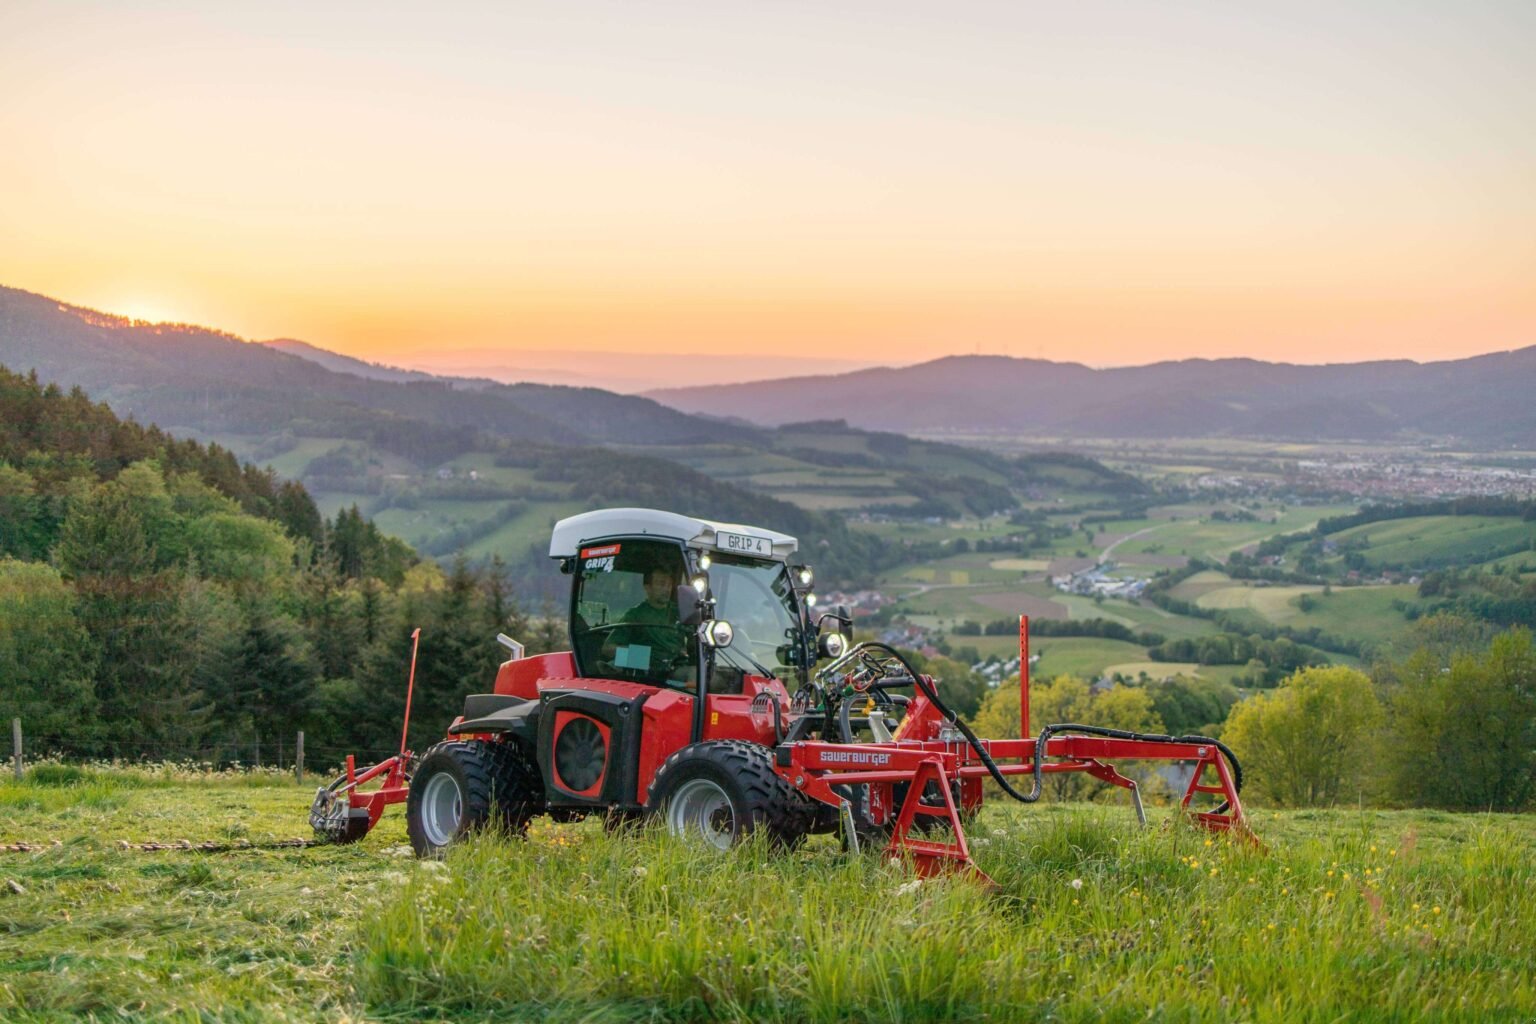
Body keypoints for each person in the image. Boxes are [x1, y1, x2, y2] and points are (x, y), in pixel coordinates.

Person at [615, 565, 688, 676]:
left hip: (677, 667)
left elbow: (695, 639)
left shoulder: (680, 613)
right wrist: (643, 659)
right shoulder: (635, 614)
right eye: (661, 584)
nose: (667, 589)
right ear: (648, 588)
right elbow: (608, 648)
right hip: (649, 673)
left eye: (669, 585)